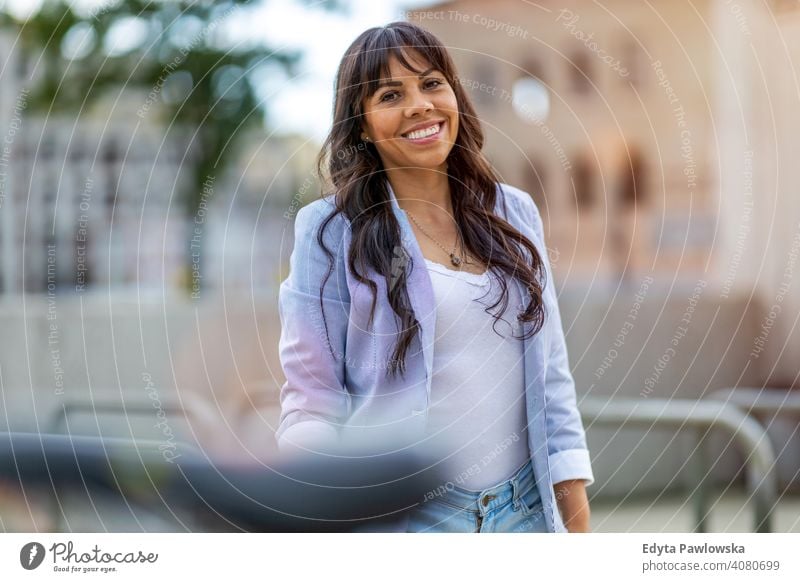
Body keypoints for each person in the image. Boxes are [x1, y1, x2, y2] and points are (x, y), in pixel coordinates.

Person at [275, 21, 594, 533]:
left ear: (454, 95)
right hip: (409, 521)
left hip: (526, 512)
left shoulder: (515, 213)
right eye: (390, 94)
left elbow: (551, 381)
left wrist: (578, 536)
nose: (419, 105)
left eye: (431, 83)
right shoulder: (329, 231)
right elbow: (312, 399)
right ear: (360, 124)